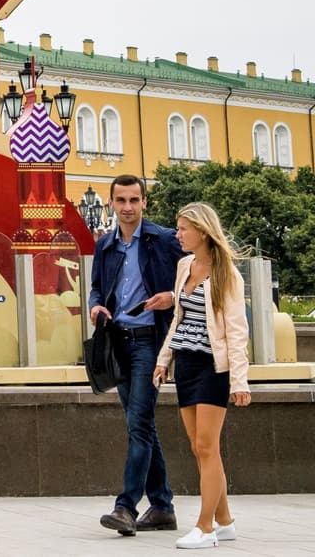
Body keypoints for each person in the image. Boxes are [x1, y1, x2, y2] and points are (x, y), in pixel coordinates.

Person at [88, 174, 182, 536]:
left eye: (134, 200)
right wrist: (96, 306)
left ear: (144, 203)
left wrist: (172, 298)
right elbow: (97, 287)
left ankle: (125, 506)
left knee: (139, 424)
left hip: (149, 343)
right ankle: (162, 506)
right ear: (111, 203)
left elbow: (201, 277)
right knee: (140, 424)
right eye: (121, 200)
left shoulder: (165, 240)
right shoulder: (106, 245)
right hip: (117, 343)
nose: (127, 207)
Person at [153, 202, 251, 550]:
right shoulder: (184, 266)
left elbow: (237, 332)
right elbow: (178, 319)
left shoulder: (227, 274)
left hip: (213, 367)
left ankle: (205, 527)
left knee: (207, 447)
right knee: (199, 448)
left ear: (203, 231)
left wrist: (239, 381)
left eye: (183, 229)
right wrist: (164, 360)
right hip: (187, 364)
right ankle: (225, 521)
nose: (177, 234)